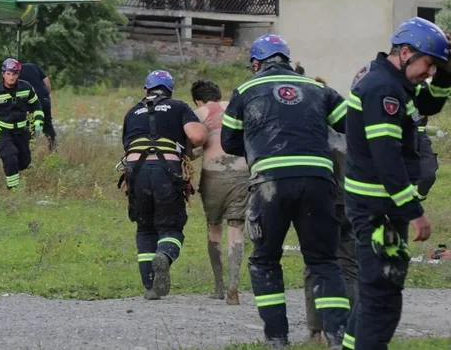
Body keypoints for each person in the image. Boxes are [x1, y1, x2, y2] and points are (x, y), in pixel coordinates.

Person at [221, 34, 350, 348]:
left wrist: (256, 146)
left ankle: (276, 338)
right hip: (319, 180)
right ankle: (338, 338)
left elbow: (228, 142)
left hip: (269, 182)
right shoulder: (318, 88)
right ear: (288, 60)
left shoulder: (246, 89)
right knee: (324, 261)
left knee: (265, 261)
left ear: (256, 63)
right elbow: (349, 124)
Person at [342, 18, 451, 350]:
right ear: (405, 53)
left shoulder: (396, 84)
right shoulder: (382, 89)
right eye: (428, 64)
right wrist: (414, 212)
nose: (428, 73)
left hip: (383, 209)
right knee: (383, 294)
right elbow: (386, 158)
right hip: (379, 211)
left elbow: (430, 103)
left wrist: (446, 68)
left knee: (377, 286)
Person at [120, 70, 207, 300]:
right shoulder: (178, 107)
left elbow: (128, 147)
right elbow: (197, 137)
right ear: (170, 91)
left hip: (136, 173)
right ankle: (165, 255)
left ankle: (150, 287)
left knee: (145, 227)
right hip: (166, 173)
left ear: (146, 90)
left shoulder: (132, 112)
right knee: (170, 227)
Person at [292, 64, 358, 345]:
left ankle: (316, 331)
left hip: (319, 201)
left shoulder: (310, 133)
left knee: (315, 264)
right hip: (350, 203)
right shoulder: (348, 130)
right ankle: (351, 331)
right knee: (349, 265)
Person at [190, 79, 248, 306]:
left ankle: (218, 286)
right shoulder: (234, 106)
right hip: (242, 172)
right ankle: (234, 285)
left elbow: (195, 144)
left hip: (214, 174)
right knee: (236, 230)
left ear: (197, 99)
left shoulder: (198, 112)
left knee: (214, 229)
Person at [0, 58, 44, 190]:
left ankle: (11, 168)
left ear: (18, 74)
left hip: (21, 131)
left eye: (14, 74)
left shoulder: (26, 87)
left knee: (25, 162)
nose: (11, 77)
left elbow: (36, 105)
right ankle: (13, 189)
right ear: (3, 74)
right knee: (10, 156)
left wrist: (38, 122)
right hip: (2, 131)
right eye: (8, 74)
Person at [18, 62, 57, 149]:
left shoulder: (14, 73)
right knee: (47, 124)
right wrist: (46, 94)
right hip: (44, 98)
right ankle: (53, 147)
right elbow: (46, 80)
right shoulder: (33, 66)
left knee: (30, 125)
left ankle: (31, 149)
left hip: (31, 101)